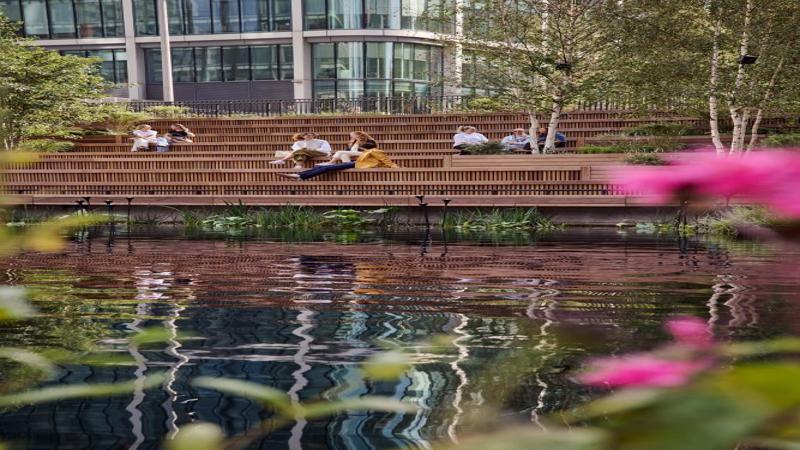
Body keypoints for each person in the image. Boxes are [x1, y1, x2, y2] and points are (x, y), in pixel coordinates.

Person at [277, 148, 398, 180]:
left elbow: (386, 161)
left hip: (358, 165)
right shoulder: (368, 152)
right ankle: (300, 176)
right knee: (328, 167)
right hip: (356, 164)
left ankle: (300, 176)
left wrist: (394, 167)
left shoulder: (376, 151)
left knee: (328, 167)